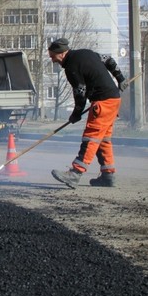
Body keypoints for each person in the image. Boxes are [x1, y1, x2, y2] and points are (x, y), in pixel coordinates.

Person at [47, 37, 128, 188]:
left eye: (53, 56)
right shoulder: (86, 53)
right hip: (113, 100)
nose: (52, 60)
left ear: (62, 53)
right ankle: (107, 175)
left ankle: (75, 173)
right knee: (103, 139)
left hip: (102, 102)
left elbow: (80, 91)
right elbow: (109, 60)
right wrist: (120, 78)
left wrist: (76, 113)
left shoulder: (71, 67)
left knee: (91, 138)